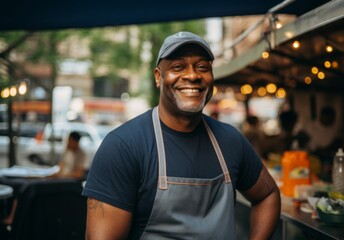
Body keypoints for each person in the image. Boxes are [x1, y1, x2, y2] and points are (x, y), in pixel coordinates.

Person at [82, 31, 281, 239]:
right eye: (178, 67)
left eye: (202, 67)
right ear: (158, 77)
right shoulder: (123, 147)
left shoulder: (230, 140)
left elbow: (267, 195)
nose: (193, 76)